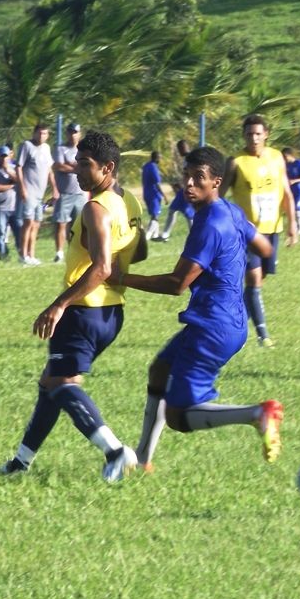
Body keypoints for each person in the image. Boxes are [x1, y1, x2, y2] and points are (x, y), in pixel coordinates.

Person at [108, 146, 284, 470]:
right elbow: (262, 245)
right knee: (159, 369)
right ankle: (144, 457)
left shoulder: (210, 225)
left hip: (212, 328)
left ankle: (257, 414)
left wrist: (122, 278)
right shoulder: (229, 211)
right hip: (226, 321)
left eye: (198, 178)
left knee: (178, 416)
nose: (189, 184)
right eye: (186, 176)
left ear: (216, 181)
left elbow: (177, 284)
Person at [0, 130, 139, 481]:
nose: (76, 169)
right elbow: (136, 251)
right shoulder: (128, 201)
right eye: (77, 161)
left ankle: (115, 451)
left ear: (107, 168)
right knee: (51, 383)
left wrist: (59, 305)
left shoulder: (95, 208)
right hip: (112, 311)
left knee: (63, 385)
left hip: (82, 311)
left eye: (85, 164)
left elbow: (103, 266)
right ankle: (21, 462)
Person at [219, 114, 298, 348]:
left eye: (257, 133)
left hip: (272, 230)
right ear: (243, 136)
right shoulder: (236, 162)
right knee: (253, 279)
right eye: (248, 134)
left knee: (257, 283)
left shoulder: (276, 158)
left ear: (266, 134)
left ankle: (230, 327)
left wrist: (292, 224)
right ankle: (263, 335)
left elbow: (286, 193)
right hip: (247, 233)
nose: (253, 138)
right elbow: (219, 197)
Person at [15, 123, 59, 265]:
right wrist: (22, 188)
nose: (42, 136)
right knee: (28, 222)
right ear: (34, 133)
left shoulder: (46, 148)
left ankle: (31, 255)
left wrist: (55, 189)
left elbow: (49, 170)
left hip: (40, 194)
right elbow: (19, 167)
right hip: (29, 191)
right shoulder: (26, 146)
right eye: (39, 133)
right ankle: (23, 254)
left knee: (36, 224)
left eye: (45, 133)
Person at [51, 123, 87, 263]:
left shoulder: (83, 150)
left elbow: (86, 165)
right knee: (61, 223)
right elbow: (59, 165)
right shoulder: (61, 149)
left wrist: (71, 166)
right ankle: (59, 252)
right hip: (64, 193)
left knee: (79, 226)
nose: (73, 135)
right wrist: (77, 168)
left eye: (75, 132)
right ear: (67, 134)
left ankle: (77, 251)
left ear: (79, 134)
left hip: (80, 193)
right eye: (70, 132)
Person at [0, 144, 22, 261]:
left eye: (6, 156)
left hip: (15, 207)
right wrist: (12, 185)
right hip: (0, 208)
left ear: (10, 156)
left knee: (19, 233)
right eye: (1, 156)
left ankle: (22, 254)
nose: (3, 159)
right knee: (0, 235)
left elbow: (21, 181)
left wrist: (9, 171)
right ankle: (3, 255)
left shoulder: (14, 167)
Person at [154, 139, 193, 242]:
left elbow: (191, 175)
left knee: (189, 214)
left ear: (186, 147)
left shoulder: (191, 158)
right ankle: (165, 235)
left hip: (188, 189)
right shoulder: (186, 158)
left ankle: (195, 236)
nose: (179, 151)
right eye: (178, 149)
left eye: (180, 148)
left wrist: (184, 186)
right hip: (183, 190)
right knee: (172, 211)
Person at [282, 147, 300, 237]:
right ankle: (293, 227)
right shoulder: (286, 166)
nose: (284, 159)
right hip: (291, 191)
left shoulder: (299, 163)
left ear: (290, 155)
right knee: (290, 209)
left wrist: (294, 181)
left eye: (285, 156)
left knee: (297, 208)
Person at [141, 151, 166, 239]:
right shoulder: (153, 167)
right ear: (156, 158)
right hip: (154, 195)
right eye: (159, 157)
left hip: (146, 193)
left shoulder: (146, 166)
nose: (160, 159)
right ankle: (147, 237)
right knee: (155, 216)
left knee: (154, 214)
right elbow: (157, 183)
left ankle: (155, 235)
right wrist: (164, 195)